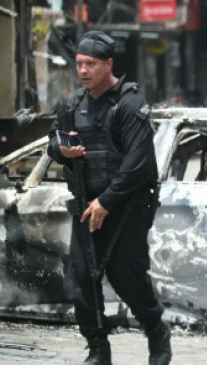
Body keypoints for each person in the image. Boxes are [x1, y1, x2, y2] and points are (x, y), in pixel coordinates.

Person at [47, 31, 171, 365]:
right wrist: (61, 149)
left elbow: (139, 163)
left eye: (91, 64)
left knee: (126, 277)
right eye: (79, 64)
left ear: (109, 64)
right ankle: (98, 349)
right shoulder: (74, 104)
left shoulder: (129, 104)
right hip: (86, 206)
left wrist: (107, 201)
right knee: (81, 279)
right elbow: (54, 140)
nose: (83, 71)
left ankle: (156, 330)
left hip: (124, 208)